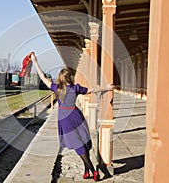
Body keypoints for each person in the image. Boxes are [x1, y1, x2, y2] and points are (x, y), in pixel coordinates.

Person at [31, 53, 115, 182]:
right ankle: (87, 171)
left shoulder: (57, 89)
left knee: (77, 145)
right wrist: (107, 88)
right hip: (76, 115)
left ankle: (93, 171)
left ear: (60, 78)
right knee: (83, 141)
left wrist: (35, 62)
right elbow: (92, 91)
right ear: (70, 77)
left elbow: (43, 77)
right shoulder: (76, 88)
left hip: (65, 119)